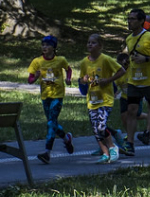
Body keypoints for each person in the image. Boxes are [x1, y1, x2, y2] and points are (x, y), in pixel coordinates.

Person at [123, 9, 150, 156]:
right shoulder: (129, 39)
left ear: (141, 21)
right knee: (132, 110)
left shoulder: (149, 37)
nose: (130, 22)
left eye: (133, 19)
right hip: (134, 80)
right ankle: (130, 143)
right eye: (128, 19)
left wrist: (146, 59)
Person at [78, 34, 126, 164]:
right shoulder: (84, 62)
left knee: (100, 125)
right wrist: (83, 80)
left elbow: (121, 71)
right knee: (95, 128)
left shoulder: (105, 59)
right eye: (88, 42)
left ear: (100, 46)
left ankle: (112, 147)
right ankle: (105, 153)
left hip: (105, 99)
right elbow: (82, 80)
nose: (90, 45)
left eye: (93, 43)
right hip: (92, 100)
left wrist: (108, 80)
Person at [28, 35, 74, 164]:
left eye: (47, 45)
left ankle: (47, 153)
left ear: (53, 47)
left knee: (51, 122)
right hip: (45, 96)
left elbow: (68, 69)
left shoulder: (60, 60)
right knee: (52, 123)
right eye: (43, 45)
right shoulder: (37, 61)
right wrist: (36, 77)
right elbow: (30, 80)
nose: (44, 47)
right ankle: (66, 139)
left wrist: (68, 78)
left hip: (57, 95)